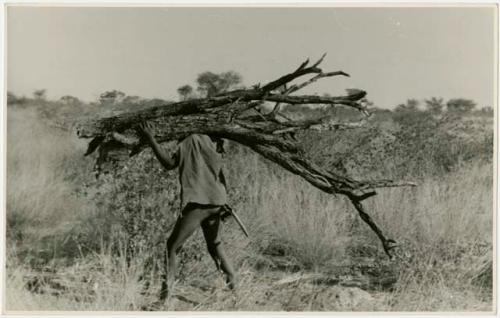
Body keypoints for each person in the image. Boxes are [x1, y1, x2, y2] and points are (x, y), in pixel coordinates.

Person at [137, 122, 237, 301]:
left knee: (172, 247)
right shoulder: (212, 141)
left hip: (198, 203)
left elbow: (169, 164)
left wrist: (150, 138)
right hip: (216, 202)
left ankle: (164, 298)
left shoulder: (190, 140)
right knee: (215, 245)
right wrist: (225, 201)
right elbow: (221, 175)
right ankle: (237, 293)